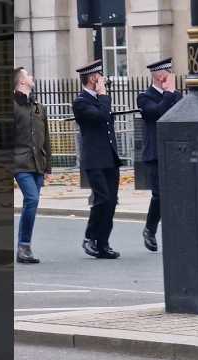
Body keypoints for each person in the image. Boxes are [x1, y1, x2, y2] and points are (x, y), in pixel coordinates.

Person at [72, 60, 122, 259]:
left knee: (111, 202)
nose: (103, 79)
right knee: (102, 198)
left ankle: (103, 243)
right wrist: (103, 96)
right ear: (93, 79)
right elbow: (102, 117)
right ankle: (89, 237)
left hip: (109, 158)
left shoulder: (100, 100)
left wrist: (103, 97)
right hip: (94, 160)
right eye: (100, 76)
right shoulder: (81, 102)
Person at [137, 58, 182, 252]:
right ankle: (150, 228)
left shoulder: (176, 95)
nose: (171, 75)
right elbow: (159, 114)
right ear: (159, 75)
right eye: (168, 72)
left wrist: (171, 94)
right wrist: (168, 93)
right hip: (155, 153)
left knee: (177, 195)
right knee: (160, 195)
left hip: (174, 151)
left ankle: (176, 234)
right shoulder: (145, 97)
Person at [13, 67, 51, 264]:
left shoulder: (38, 106)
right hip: (20, 162)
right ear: (21, 82)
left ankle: (24, 247)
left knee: (33, 203)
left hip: (38, 163)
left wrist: (48, 167)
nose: (32, 77)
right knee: (32, 199)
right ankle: (23, 246)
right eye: (28, 75)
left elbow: (46, 138)